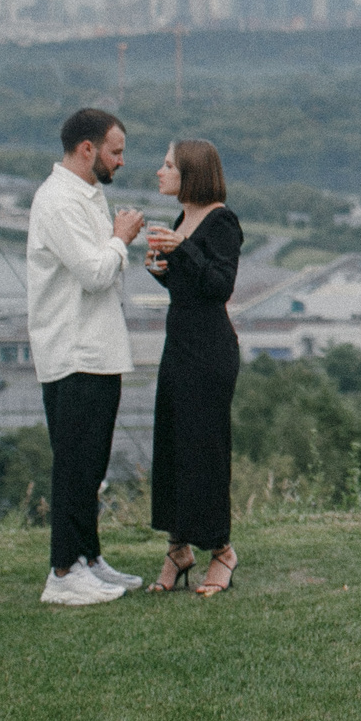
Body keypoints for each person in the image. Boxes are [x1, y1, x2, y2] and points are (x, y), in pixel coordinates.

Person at [26, 107, 146, 607]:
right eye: (115, 152)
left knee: (91, 466)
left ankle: (89, 559)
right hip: (72, 351)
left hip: (98, 350)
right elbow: (96, 274)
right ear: (87, 149)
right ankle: (62, 572)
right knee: (74, 466)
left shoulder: (88, 195)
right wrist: (122, 238)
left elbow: (105, 270)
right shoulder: (58, 201)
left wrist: (117, 245)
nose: (121, 161)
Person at [144, 139, 243, 597]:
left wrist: (182, 248)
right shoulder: (183, 219)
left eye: (168, 165)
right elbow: (188, 287)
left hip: (209, 351)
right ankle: (177, 547)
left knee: (205, 449)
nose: (160, 172)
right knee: (173, 446)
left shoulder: (222, 221)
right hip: (179, 345)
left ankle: (222, 551)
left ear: (192, 173)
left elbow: (220, 286)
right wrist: (161, 269)